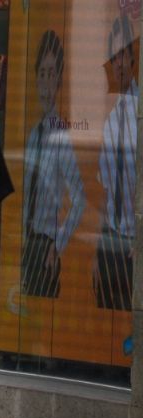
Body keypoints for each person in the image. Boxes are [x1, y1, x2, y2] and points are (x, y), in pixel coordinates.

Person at [21, 29, 85, 298]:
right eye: (42, 74)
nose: (46, 82)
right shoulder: (34, 133)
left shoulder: (61, 136)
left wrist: (56, 245)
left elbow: (79, 199)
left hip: (46, 245)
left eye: (51, 73)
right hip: (29, 242)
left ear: (59, 79)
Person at [95, 14, 137, 311]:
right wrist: (98, 251)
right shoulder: (110, 120)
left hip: (137, 242)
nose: (119, 62)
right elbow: (106, 193)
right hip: (111, 240)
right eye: (115, 55)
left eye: (125, 53)